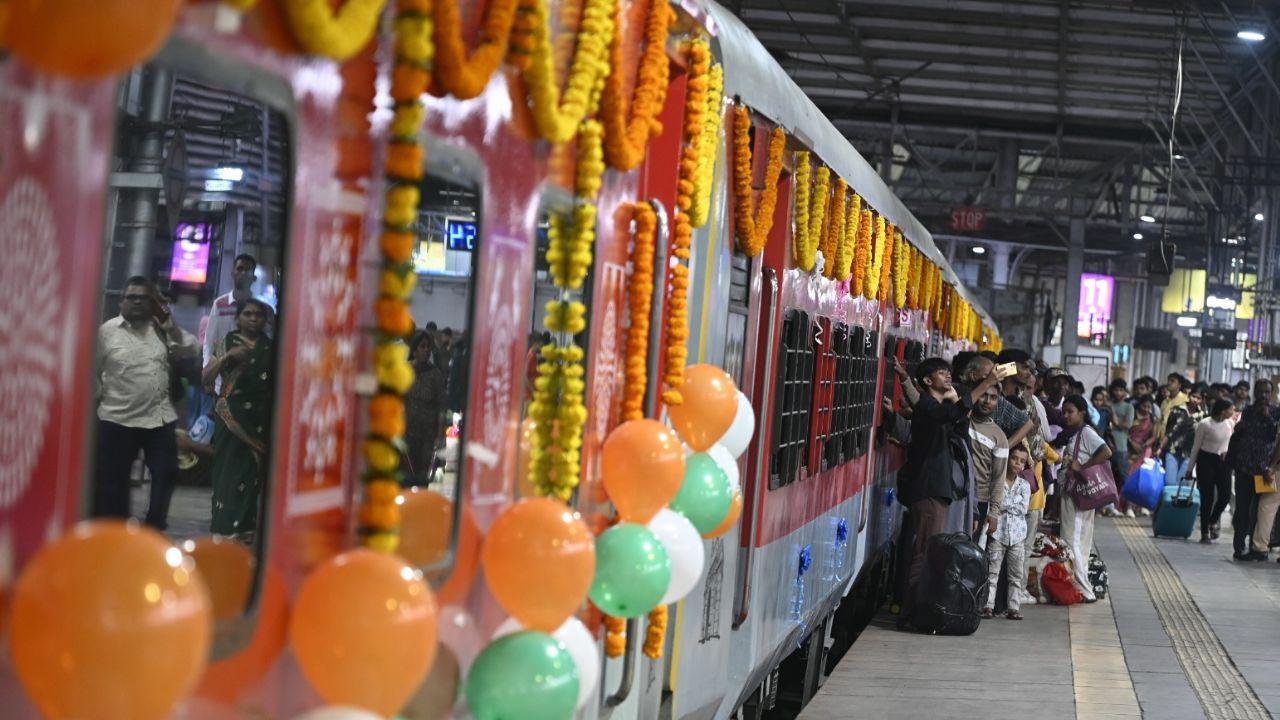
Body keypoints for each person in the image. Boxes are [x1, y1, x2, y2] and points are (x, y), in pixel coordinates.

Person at [897, 357, 1001, 629]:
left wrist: (960, 403)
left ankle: (916, 609)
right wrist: (987, 383)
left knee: (928, 549)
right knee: (924, 551)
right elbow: (948, 415)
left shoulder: (938, 406)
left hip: (938, 489)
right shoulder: (927, 407)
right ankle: (910, 613)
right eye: (942, 374)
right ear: (928, 382)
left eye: (948, 372)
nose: (947, 376)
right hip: (929, 488)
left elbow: (956, 422)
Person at [95, 277, 199, 529]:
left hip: (158, 418)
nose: (138, 302)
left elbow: (191, 348)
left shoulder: (162, 329)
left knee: (167, 472)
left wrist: (170, 327)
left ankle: (154, 526)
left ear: (152, 303)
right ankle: (117, 531)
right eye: (132, 297)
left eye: (144, 297)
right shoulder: (107, 332)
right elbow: (92, 372)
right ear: (121, 301)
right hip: (116, 419)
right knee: (114, 483)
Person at [202, 299, 274, 540]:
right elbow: (205, 379)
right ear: (238, 318)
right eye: (248, 314)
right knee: (227, 473)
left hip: (259, 421)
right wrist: (227, 358)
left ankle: (245, 528)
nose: (253, 319)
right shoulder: (224, 344)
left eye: (258, 315)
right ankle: (223, 529)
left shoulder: (272, 349)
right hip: (231, 419)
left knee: (251, 476)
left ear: (265, 320)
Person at [1059, 394, 1111, 602]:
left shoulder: (1087, 433)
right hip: (1074, 493)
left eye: (1070, 411)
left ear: (1082, 413)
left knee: (1073, 540)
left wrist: (1082, 466)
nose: (1065, 415)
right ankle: (1079, 585)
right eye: (1064, 411)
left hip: (1078, 494)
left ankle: (1084, 589)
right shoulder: (1075, 433)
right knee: (1079, 541)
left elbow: (1106, 452)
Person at [1226, 379, 1278, 561]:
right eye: (1260, 392)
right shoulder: (1248, 410)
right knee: (1241, 509)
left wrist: (1268, 418)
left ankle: (1254, 547)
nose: (1263, 396)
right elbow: (1239, 435)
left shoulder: (1275, 412)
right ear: (1255, 392)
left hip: (1263, 472)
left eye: (1267, 392)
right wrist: (1239, 428)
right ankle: (1238, 546)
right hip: (1244, 468)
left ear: (1271, 394)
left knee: (1258, 510)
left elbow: (1275, 438)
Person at [982, 443, 1032, 621]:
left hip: (1017, 536)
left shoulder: (1025, 486)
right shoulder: (996, 481)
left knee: (1015, 575)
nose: (1017, 463)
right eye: (1014, 458)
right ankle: (988, 606)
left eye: (1022, 461)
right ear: (1008, 458)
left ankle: (1013, 607)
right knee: (992, 572)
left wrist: (1003, 504)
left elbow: (1023, 509)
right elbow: (994, 504)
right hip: (998, 533)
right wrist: (1012, 502)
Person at [1184, 398, 1235, 543]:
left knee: (1225, 495)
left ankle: (1213, 520)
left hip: (1224, 462)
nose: (1233, 412)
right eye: (1231, 409)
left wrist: (1229, 453)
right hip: (1206, 461)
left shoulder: (1230, 423)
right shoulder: (1205, 424)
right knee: (1207, 498)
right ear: (1223, 411)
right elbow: (1196, 447)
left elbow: (1231, 442)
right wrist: (1189, 469)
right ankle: (1205, 532)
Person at [203, 254, 263, 367]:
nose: (244, 273)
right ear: (232, 273)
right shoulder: (219, 304)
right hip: (221, 376)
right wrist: (207, 369)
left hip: (251, 375)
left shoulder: (261, 309)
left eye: (248, 270)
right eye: (240, 269)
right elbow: (209, 341)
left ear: (254, 277)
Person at [960, 355, 1032, 448]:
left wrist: (1004, 448)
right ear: (973, 376)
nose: (993, 379)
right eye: (988, 376)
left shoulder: (997, 401)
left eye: (994, 376)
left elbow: (1028, 424)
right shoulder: (958, 393)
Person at [404, 332, 446, 483]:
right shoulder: (405, 372)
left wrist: (440, 436)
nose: (427, 350)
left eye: (429, 347)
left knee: (423, 478)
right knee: (405, 477)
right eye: (423, 347)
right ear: (414, 351)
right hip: (406, 433)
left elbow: (442, 407)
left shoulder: (435, 375)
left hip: (428, 436)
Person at [968, 385, 1009, 540]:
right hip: (955, 496)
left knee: (967, 551)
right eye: (983, 395)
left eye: (993, 398)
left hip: (979, 502)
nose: (987, 401)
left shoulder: (999, 437)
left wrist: (993, 512)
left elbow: (999, 478)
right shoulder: (961, 419)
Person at [1157, 381, 1202, 487]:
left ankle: (1173, 503)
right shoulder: (1177, 411)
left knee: (1181, 484)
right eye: (1193, 396)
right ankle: (1165, 503)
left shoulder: (1202, 416)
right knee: (1169, 482)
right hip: (1172, 450)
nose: (1195, 400)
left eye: (1198, 398)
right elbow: (1169, 431)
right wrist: (1160, 447)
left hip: (1190, 454)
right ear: (1188, 395)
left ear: (1202, 400)